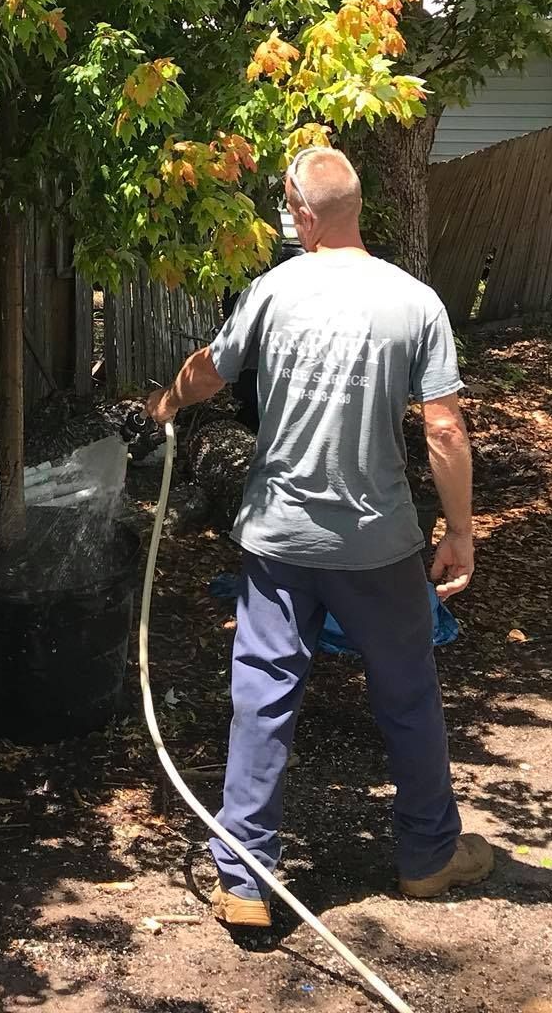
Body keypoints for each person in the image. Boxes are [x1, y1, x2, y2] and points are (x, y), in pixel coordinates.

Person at [144, 145, 493, 927]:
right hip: (380, 545)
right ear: (357, 208)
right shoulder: (415, 301)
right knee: (407, 694)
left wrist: (168, 399)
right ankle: (430, 857)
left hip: (279, 542)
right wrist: (461, 530)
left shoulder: (273, 290)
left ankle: (244, 883)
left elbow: (212, 370)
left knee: (263, 695)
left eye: (288, 207)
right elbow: (443, 426)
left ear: (303, 213)